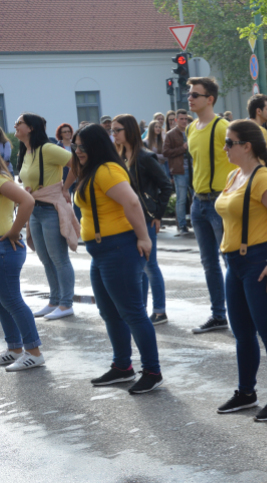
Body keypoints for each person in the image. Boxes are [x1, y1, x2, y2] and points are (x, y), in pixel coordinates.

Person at [72, 123, 163, 394]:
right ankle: (122, 367)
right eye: (75, 146)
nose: (77, 151)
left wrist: (144, 238)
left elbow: (133, 202)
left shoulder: (107, 170)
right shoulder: (93, 171)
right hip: (101, 252)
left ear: (96, 146)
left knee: (133, 313)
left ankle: (152, 371)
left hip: (118, 249)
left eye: (82, 146)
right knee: (110, 313)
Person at [215, 119, 267, 420]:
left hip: (260, 261)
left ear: (246, 146)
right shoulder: (236, 174)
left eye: (229, 142)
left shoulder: (263, 178)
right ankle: (246, 392)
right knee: (243, 333)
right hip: (235, 262)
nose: (224, 147)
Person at [16, 113, 78, 320]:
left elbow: (76, 164)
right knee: (45, 259)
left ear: (31, 128)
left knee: (59, 259)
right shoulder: (26, 151)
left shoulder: (48, 149)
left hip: (51, 208)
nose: (15, 126)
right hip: (34, 210)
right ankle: (54, 301)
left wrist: (65, 188)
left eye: (19, 123)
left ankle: (66, 304)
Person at [186, 77, 237, 334]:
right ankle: (219, 315)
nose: (190, 98)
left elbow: (240, 161)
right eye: (189, 94)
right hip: (198, 203)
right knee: (209, 263)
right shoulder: (191, 128)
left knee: (230, 260)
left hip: (219, 201)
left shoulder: (222, 127)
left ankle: (241, 312)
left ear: (210, 99)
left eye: (195, 94)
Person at [113, 115, 173, 326]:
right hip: (126, 218)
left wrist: (157, 215)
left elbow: (166, 186)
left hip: (145, 217)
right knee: (138, 267)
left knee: (149, 265)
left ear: (128, 131)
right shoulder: (119, 156)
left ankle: (159, 311)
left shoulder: (144, 157)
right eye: (112, 130)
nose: (114, 134)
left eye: (117, 130)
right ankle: (142, 309)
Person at [0, 157, 45, 371]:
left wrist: (14, 231)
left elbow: (28, 201)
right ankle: (15, 349)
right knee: (3, 303)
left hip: (5, 248)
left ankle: (34, 352)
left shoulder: (0, 180)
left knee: (12, 301)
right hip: (5, 248)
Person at [163, 109, 192, 236]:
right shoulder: (171, 134)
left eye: (186, 119)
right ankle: (182, 225)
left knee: (196, 197)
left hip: (194, 169)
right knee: (181, 199)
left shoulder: (191, 131)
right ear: (176, 120)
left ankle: (196, 222)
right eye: (181, 119)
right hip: (180, 170)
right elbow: (166, 152)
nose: (184, 121)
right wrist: (182, 149)